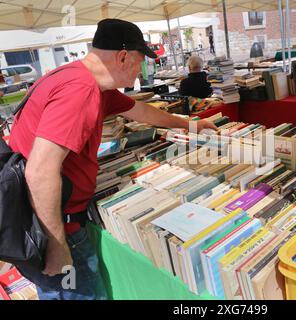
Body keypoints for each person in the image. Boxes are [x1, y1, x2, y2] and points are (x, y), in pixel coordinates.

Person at [8, 18, 217, 300]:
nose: (142, 69)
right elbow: (40, 172)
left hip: (41, 219)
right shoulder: (80, 91)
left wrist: (189, 125)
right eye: (140, 60)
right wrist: (57, 246)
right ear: (122, 57)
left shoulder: (83, 80)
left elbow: (142, 112)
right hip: (54, 229)